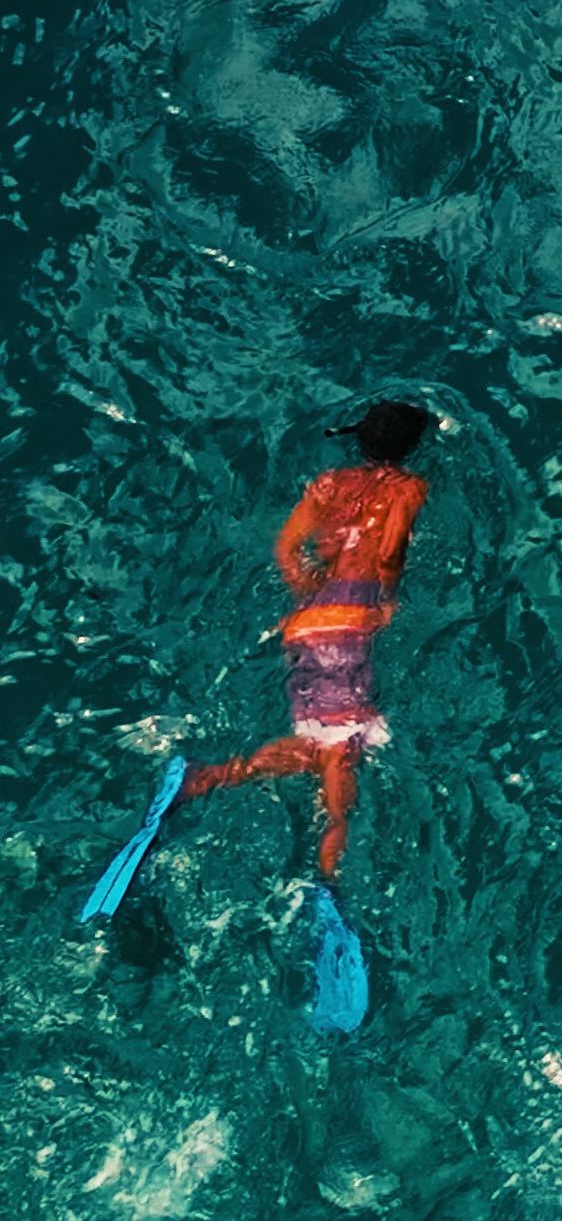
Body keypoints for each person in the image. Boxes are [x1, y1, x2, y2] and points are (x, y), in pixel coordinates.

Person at [77, 402, 435, 1031]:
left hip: (306, 625)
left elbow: (286, 549)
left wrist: (311, 595)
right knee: (340, 766)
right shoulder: (408, 487)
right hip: (353, 627)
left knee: (321, 745)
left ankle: (204, 778)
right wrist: (385, 603)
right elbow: (391, 548)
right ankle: (326, 882)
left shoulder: (325, 485)